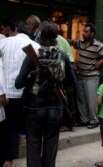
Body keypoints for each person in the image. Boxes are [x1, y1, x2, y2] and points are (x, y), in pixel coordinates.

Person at [15, 21, 77, 167]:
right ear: (56, 36)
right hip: (55, 108)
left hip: (33, 108)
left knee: (33, 146)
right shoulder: (63, 57)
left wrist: (32, 77)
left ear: (40, 36)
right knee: (51, 146)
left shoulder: (32, 55)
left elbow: (18, 83)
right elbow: (73, 84)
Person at [0, 21, 40, 167]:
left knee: (9, 127)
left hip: (6, 94)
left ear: (16, 31)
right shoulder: (35, 46)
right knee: (26, 128)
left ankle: (9, 161)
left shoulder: (4, 43)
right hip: (25, 95)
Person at [70, 23, 103, 129]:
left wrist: (99, 63)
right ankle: (84, 120)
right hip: (81, 75)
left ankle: (94, 120)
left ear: (92, 33)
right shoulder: (79, 43)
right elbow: (70, 42)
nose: (84, 33)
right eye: (83, 31)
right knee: (82, 100)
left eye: (86, 32)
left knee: (91, 100)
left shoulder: (98, 45)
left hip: (92, 76)